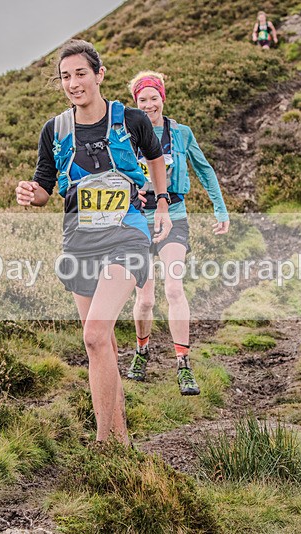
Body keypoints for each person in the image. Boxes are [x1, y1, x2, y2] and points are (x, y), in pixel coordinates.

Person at [15, 40, 172, 445]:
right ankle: (121, 442)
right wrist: (32, 193)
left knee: (93, 335)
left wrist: (161, 202)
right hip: (79, 242)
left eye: (81, 73)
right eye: (65, 77)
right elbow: (45, 187)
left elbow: (155, 156)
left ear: (99, 75)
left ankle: (104, 447)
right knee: (102, 346)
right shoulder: (54, 130)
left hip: (126, 234)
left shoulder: (131, 120)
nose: (73, 83)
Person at [125, 71, 229, 396]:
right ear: (136, 103)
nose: (149, 104)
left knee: (173, 289)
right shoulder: (127, 135)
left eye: (154, 98)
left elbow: (204, 169)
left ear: (163, 98)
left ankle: (183, 365)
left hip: (175, 216)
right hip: (139, 222)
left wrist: (220, 208)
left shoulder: (181, 134)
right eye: (143, 100)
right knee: (145, 299)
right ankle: (142, 351)